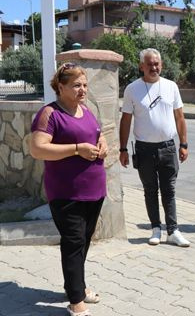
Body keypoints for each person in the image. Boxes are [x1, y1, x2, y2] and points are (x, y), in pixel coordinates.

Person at [30, 62, 108, 316]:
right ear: (60, 87)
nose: (82, 89)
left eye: (84, 85)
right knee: (73, 241)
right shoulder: (49, 113)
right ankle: (76, 301)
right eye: (76, 85)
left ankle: (77, 286)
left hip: (94, 190)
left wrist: (103, 143)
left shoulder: (85, 110)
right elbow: (37, 149)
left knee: (83, 241)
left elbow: (97, 133)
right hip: (66, 193)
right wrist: (77, 149)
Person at [119, 48, 190, 247]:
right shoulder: (132, 89)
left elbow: (179, 117)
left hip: (168, 147)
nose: (154, 67)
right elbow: (125, 120)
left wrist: (183, 144)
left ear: (162, 65)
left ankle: (173, 230)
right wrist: (123, 149)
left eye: (157, 64)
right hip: (144, 149)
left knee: (169, 190)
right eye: (149, 64)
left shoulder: (171, 86)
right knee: (150, 190)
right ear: (142, 66)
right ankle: (155, 229)